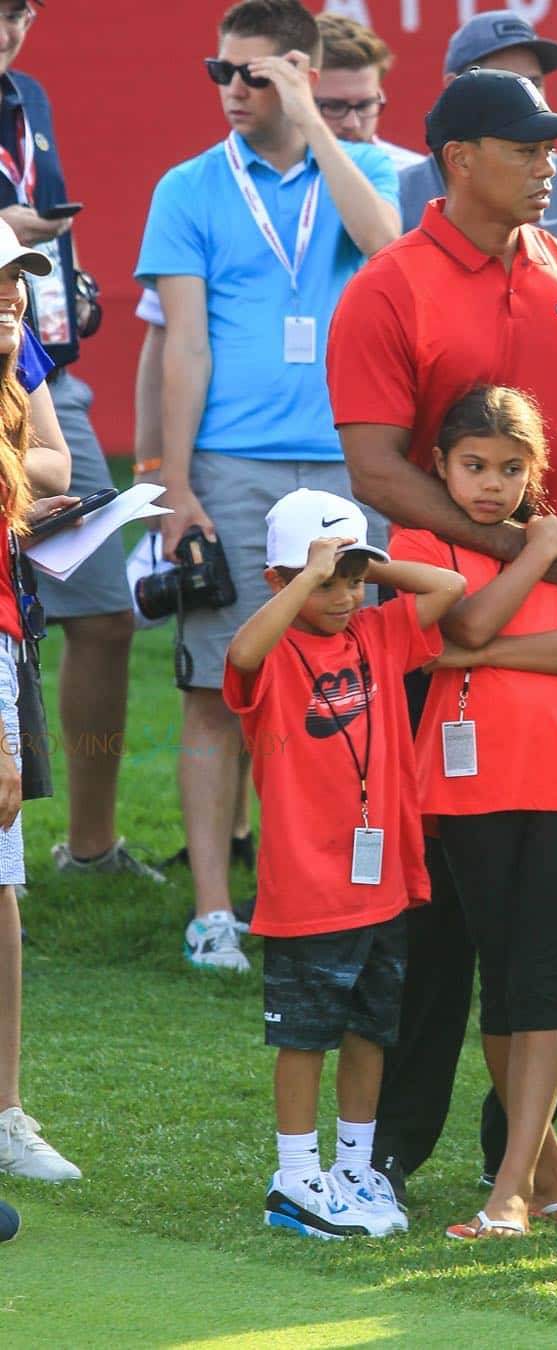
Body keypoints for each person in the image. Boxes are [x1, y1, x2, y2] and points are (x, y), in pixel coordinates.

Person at [327, 68, 557, 1211]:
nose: (551, 161)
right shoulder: (388, 289)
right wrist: (532, 539)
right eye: (528, 146)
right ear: (459, 158)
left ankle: (523, 1161)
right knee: (436, 921)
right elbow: (374, 466)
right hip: (439, 620)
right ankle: (401, 1150)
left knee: (544, 914)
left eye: (555, 144)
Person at [135, 0, 401, 970]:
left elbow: (386, 251)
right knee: (218, 684)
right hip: (234, 466)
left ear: (295, 71)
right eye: (221, 73)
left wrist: (314, 119)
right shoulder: (190, 186)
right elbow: (185, 345)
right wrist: (173, 483)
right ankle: (213, 908)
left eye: (251, 75)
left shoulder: (371, 166)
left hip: (352, 459)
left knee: (352, 683)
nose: (231, 93)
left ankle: (329, 889)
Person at [390, 386, 557, 1238]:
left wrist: (470, 653)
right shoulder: (418, 539)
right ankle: (543, 1178)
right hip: (469, 783)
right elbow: (476, 609)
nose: (491, 484)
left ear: (538, 472)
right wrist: (532, 560)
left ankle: (513, 1191)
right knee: (503, 977)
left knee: (543, 977)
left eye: (512, 469)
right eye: (474, 466)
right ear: (442, 466)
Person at [223, 487, 463, 1237]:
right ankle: (296, 1178)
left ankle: (354, 1170)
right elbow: (240, 654)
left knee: (370, 1030)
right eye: (326, 580)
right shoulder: (272, 649)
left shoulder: (377, 632)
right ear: (281, 580)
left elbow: (449, 588)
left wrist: (368, 566)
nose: (342, 595)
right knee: (304, 1037)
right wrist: (306, 576)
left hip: (382, 883)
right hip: (307, 888)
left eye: (351, 580)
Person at [0, 0, 163, 884]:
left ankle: (89, 848)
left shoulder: (28, 100)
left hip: (41, 374)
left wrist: (63, 285)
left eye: (19, 12)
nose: (8, 28)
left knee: (103, 611)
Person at [399, 8, 557, 456]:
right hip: (436, 469)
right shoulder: (397, 195)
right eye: (499, 78)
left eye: (534, 81)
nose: (523, 93)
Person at [0, 218, 79, 1183]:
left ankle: (6, 1111)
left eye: (17, 279)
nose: (12, 298)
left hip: (6, 632)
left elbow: (63, 466)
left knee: (1, 885)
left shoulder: (16, 358)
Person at [315, 12, 424, 172]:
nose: (352, 124)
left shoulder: (416, 180)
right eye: (334, 107)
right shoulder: (266, 182)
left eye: (365, 105)